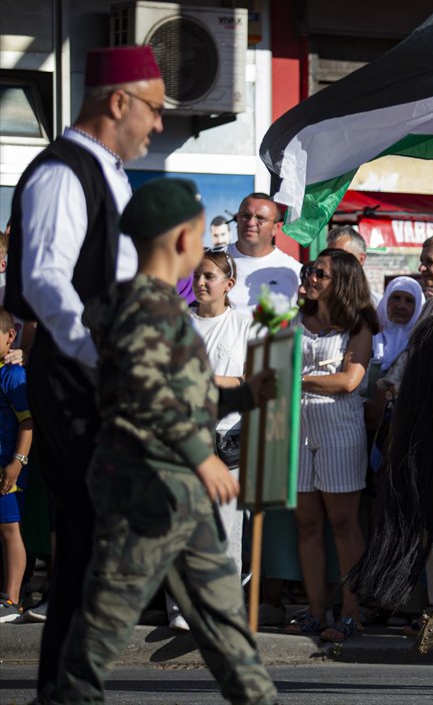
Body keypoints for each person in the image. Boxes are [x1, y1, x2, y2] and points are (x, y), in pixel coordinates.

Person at [46, 177, 278, 704]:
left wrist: (248, 395)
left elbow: (189, 395)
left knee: (223, 618)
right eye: (198, 235)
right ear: (179, 240)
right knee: (106, 618)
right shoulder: (142, 309)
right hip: (144, 485)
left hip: (178, 488)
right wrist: (203, 458)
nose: (203, 246)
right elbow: (151, 397)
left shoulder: (161, 312)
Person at [5, 45, 161, 694]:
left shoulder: (108, 174)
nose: (156, 126)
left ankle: (66, 691)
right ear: (117, 102)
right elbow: (44, 278)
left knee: (92, 554)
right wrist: (104, 356)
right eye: (152, 109)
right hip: (78, 382)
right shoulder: (63, 172)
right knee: (95, 547)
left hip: (94, 377)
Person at [285, 249, 379, 643]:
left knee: (343, 524)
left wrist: (297, 379)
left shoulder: (358, 325)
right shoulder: (296, 319)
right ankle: (315, 609)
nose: (310, 277)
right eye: (310, 270)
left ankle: (351, 611)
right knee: (306, 523)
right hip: (298, 425)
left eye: (319, 273)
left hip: (339, 427)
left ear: (340, 281)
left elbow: (348, 382)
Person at [164, 248, 255, 633]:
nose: (201, 283)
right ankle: (181, 609)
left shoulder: (244, 323)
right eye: (198, 276)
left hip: (226, 438)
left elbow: (251, 378)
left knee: (225, 530)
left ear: (228, 284)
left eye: (210, 277)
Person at [0, 308, 32, 623]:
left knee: (11, 529)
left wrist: (17, 463)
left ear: (11, 336)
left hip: (8, 465)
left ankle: (12, 598)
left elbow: (28, 423)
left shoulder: (13, 374)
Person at [226, 194, 302, 310]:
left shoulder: (294, 271)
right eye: (246, 216)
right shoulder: (212, 260)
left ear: (275, 228)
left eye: (260, 218)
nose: (251, 223)